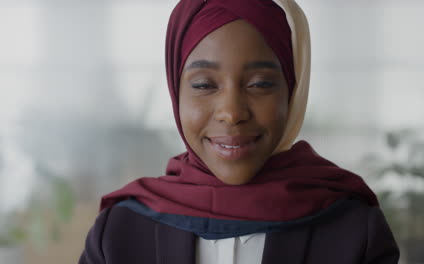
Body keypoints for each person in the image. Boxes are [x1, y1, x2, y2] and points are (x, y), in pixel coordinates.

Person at [79, 0, 400, 263]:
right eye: (204, 84)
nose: (232, 113)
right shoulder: (120, 233)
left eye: (260, 84)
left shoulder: (355, 231)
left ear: (292, 92)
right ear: (176, 93)